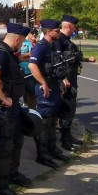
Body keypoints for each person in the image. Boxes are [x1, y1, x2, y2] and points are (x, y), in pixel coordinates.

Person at [0, 22, 33, 195]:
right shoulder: (1, 53)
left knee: (17, 142)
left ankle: (13, 174)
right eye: (21, 42)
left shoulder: (9, 53)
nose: (21, 45)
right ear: (16, 40)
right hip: (4, 109)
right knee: (4, 148)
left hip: (14, 107)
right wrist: (4, 98)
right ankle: (2, 187)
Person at [28, 19, 69, 168]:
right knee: (44, 121)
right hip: (45, 87)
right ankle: (42, 154)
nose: (59, 32)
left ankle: (52, 149)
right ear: (48, 32)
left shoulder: (53, 45)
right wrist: (43, 83)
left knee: (52, 120)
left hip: (54, 85)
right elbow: (32, 65)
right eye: (57, 30)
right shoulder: (40, 47)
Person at [57, 15, 96, 150]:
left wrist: (86, 59)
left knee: (71, 109)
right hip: (65, 81)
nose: (75, 29)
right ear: (69, 26)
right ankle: (64, 140)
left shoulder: (68, 41)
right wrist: (63, 78)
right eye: (74, 27)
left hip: (72, 79)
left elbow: (73, 58)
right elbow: (57, 61)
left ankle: (68, 136)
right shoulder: (59, 41)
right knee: (66, 109)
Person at [19, 28, 39, 109]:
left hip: (29, 71)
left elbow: (32, 54)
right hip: (19, 71)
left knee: (32, 92)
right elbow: (16, 56)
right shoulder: (17, 42)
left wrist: (23, 56)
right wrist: (23, 57)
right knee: (20, 93)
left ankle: (32, 110)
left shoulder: (28, 42)